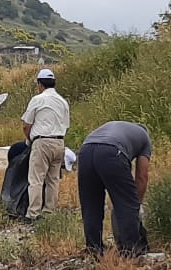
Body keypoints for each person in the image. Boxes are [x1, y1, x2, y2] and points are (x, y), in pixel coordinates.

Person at [76, 120, 153, 255]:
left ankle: (94, 248)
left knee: (91, 204)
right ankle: (131, 249)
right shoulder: (145, 137)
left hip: (85, 151)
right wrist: (136, 204)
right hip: (111, 152)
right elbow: (142, 176)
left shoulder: (121, 128)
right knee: (126, 203)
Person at [20, 68, 70, 220]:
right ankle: (49, 212)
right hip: (59, 142)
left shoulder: (37, 100)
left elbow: (26, 124)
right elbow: (66, 125)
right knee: (53, 180)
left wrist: (29, 139)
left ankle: (33, 213)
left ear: (40, 84)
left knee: (36, 179)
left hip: (42, 141)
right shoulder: (63, 102)